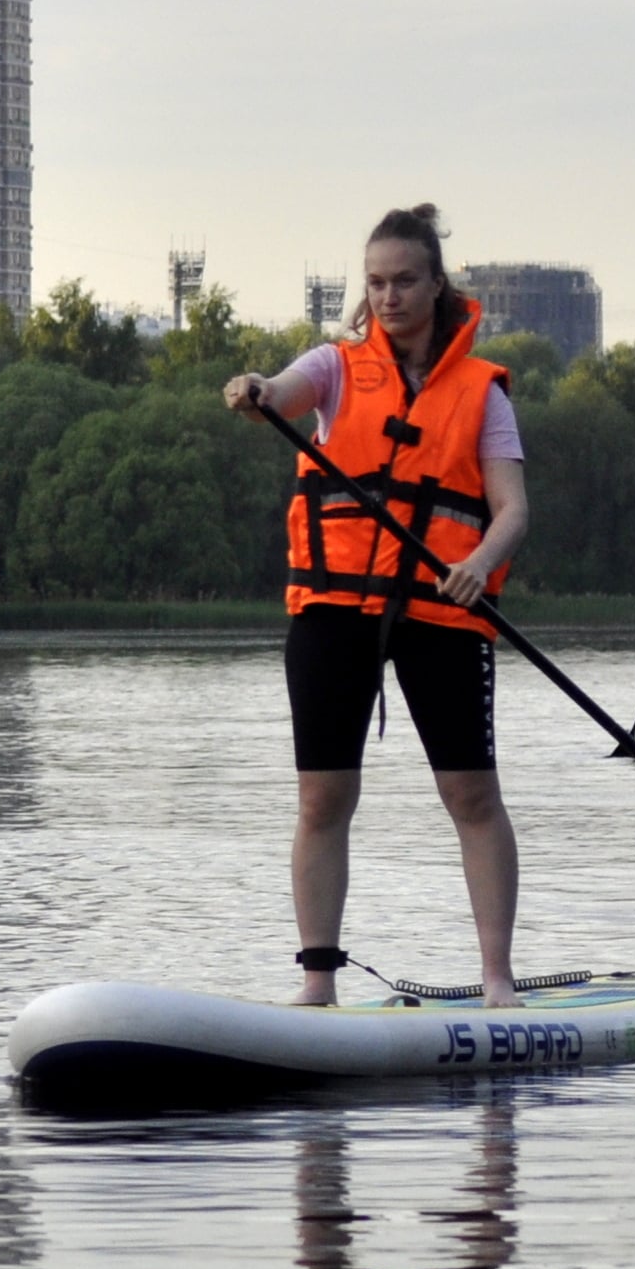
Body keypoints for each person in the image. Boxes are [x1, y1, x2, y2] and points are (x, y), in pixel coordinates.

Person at [221, 203, 530, 1008]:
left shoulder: (481, 392)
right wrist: (257, 390)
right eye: (376, 283)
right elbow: (284, 393)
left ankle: (497, 980)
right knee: (323, 798)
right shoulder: (333, 366)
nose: (388, 297)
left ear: (436, 285)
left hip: (441, 608)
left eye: (404, 281)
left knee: (471, 795)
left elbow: (513, 511)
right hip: (335, 608)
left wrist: (480, 561)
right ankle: (317, 985)